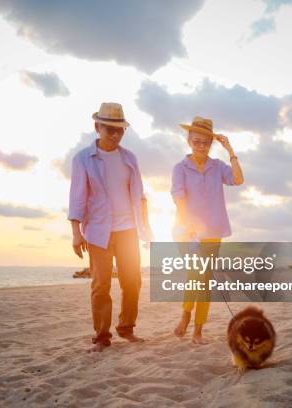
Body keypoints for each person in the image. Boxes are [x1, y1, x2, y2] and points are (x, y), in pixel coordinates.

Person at [68, 102, 153, 352]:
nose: (115, 135)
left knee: (132, 282)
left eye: (120, 130)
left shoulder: (130, 158)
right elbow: (77, 197)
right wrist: (76, 233)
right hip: (97, 231)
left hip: (128, 230)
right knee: (100, 286)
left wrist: (146, 230)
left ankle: (126, 328)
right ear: (97, 127)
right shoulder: (82, 159)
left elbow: (140, 196)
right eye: (110, 129)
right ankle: (102, 336)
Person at [171, 116, 244, 344]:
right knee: (195, 275)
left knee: (204, 281)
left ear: (211, 143)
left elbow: (238, 180)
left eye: (205, 142)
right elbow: (179, 198)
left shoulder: (218, 167)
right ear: (189, 140)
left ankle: (198, 331)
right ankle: (185, 315)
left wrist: (230, 150)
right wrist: (190, 226)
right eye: (196, 141)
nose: (201, 145)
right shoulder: (180, 168)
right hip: (186, 232)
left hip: (212, 232)